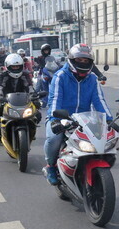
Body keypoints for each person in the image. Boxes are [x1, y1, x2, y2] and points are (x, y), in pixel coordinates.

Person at [43, 43, 111, 185]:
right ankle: (50, 166)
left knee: (102, 142)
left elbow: (99, 101)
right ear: (72, 60)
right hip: (61, 118)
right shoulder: (60, 76)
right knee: (54, 138)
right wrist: (55, 119)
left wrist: (109, 120)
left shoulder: (92, 78)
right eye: (79, 60)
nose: (83, 63)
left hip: (84, 119)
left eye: (86, 60)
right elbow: (54, 100)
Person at [0, 53, 31, 145]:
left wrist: (34, 95)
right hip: (6, 100)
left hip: (23, 101)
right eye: (13, 67)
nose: (15, 69)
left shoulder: (25, 74)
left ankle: (31, 130)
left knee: (37, 114)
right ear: (7, 66)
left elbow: (30, 87)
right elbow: (0, 87)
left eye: (17, 66)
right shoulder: (3, 75)